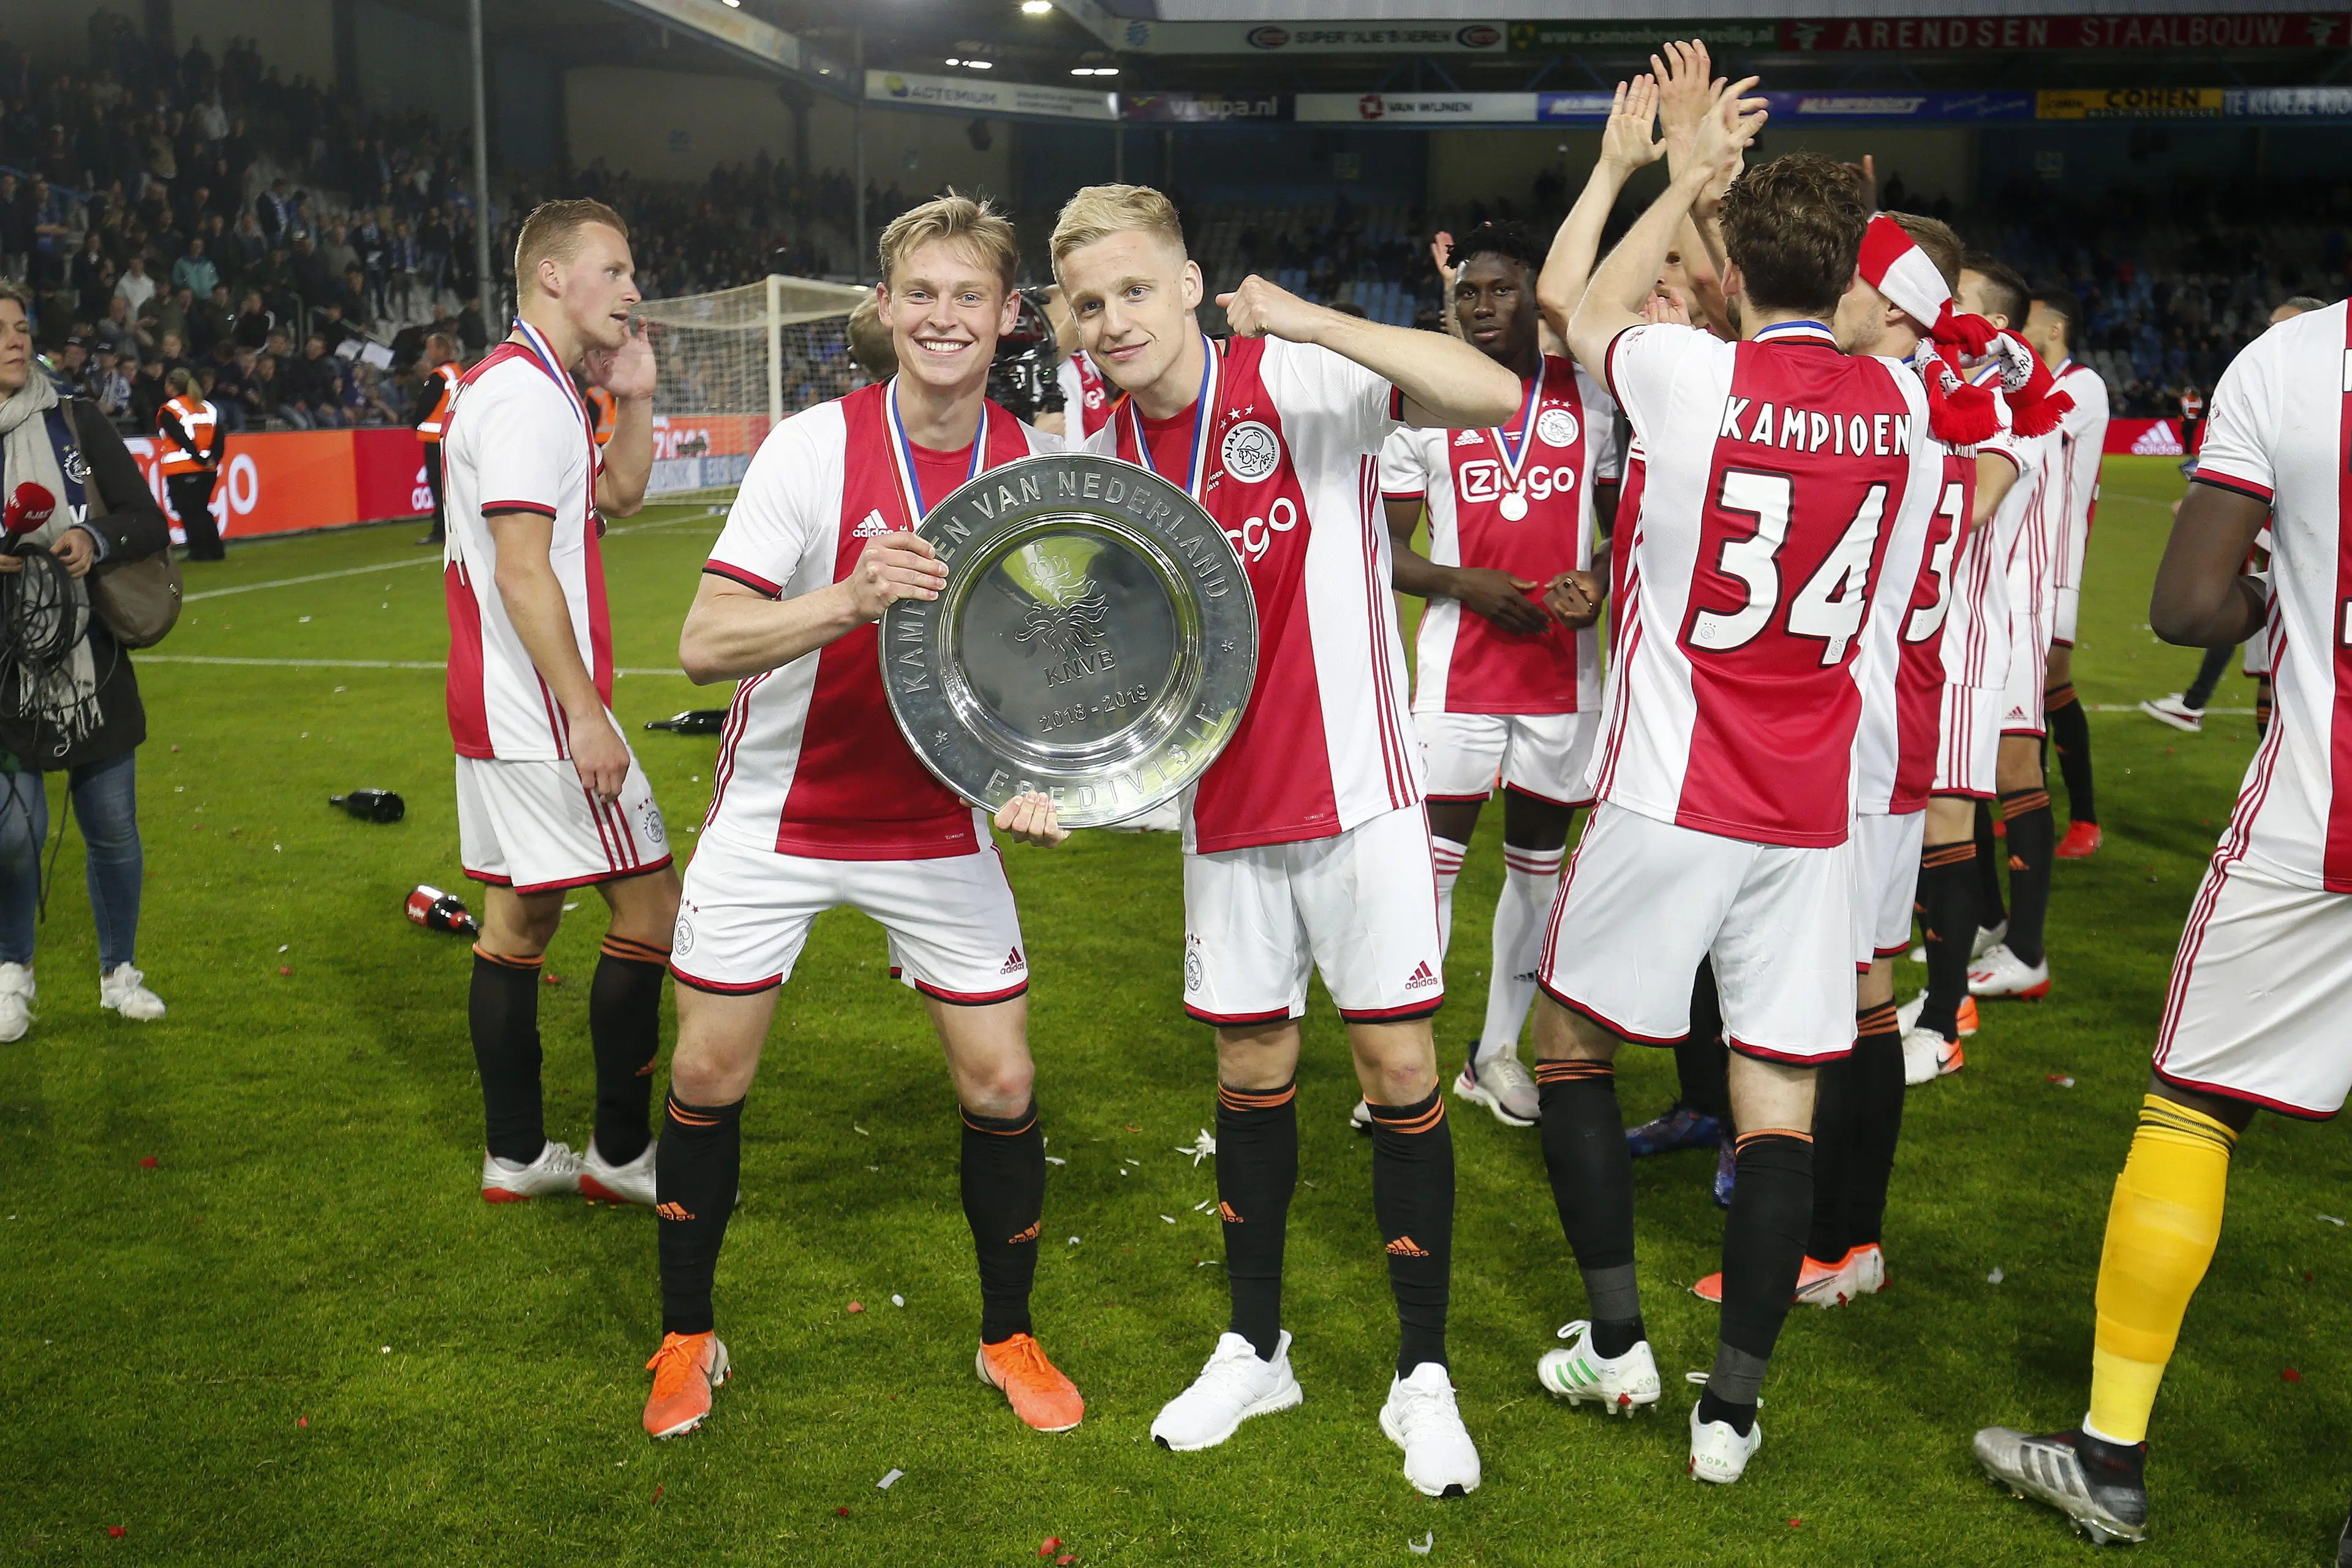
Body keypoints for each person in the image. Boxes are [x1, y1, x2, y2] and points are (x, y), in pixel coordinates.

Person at [1055, 182, 1518, 1497]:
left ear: (1193, 282)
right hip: (1222, 807)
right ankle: (1258, 1345)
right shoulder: (1094, 439)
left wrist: (1311, 315)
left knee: (1392, 1062)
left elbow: (1484, 389)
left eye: (1136, 289)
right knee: (1251, 1065)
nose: (1114, 320)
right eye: (1090, 302)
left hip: (1362, 789)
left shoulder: (1300, 376)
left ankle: (1422, 1371)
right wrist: (1053, 775)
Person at [1540, 86, 1938, 1484]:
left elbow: (1578, 314)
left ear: (1728, 273)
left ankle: (1614, 1337)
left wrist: (1671, 175)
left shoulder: (1689, 375)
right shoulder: (1901, 400)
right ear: (1848, 275)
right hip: (1808, 808)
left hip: (1668, 780)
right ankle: (1732, 1411)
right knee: (1778, 1108)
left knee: (1563, 1049)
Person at [646, 194, 1080, 1444]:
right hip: (783, 809)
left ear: (1007, 316)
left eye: (971, 297)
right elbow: (702, 643)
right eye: (922, 294)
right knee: (708, 1067)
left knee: (1003, 1079)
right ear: (887, 310)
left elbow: (1048, 669)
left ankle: (1008, 1335)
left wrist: (1036, 775)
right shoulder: (809, 450)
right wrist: (844, 598)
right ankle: (687, 1330)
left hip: (937, 822)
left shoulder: (1034, 466)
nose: (946, 317)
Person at [1973, 293, 2352, 1551]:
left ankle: (2110, 1454)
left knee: (2196, 1102)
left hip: (2315, 818)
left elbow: (2189, 607)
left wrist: (2277, 603)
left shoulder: (2294, 359)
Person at [439, 198, 677, 1213]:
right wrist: (586, 716)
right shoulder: (527, 401)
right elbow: (525, 572)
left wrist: (639, 398)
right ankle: (620, 1157)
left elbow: (618, 499)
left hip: (496, 711)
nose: (633, 289)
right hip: (544, 717)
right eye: (616, 270)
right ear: (550, 278)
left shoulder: (533, 387)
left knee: (518, 924)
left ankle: (513, 1154)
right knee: (655, 911)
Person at [1378, 218, 1620, 1130]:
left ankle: (1497, 1054)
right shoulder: (1426, 402)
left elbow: (1622, 523)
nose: (1482, 307)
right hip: (1457, 676)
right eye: (1468, 293)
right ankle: (1409, 1065)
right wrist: (1460, 582)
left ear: (1534, 294)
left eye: (1501, 290)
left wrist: (1594, 577)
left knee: (1537, 873)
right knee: (1428, 874)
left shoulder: (1590, 397)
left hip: (1563, 676)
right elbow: (1383, 547)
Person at [0, 282, 173, 1040]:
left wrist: (93, 541)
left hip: (89, 656)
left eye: (19, 326)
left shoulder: (77, 419)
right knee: (14, 831)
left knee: (113, 828)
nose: (13, 338)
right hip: (7, 666)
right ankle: (13, 973)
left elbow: (146, 518)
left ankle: (119, 972)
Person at [2138, 298, 2328, 736]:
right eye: (2269, 328)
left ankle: (2194, 703)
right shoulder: (2264, 395)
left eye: (2286, 330)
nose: (2271, 339)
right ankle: (2198, 704)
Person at [1957, 255, 2064, 1003]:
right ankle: (1991, 920)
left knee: (2013, 772)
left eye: (1956, 296)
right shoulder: (1968, 386)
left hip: (2011, 611)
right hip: (1966, 609)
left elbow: (1979, 507)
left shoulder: (2018, 402)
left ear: (1995, 325)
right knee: (1962, 774)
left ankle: (2027, 950)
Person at [2022, 289, 2111, 859]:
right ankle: (2023, 798)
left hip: (2057, 560)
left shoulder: (2082, 387)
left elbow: (2030, 424)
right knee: (2022, 686)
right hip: (2020, 559)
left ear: (2055, 329)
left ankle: (2084, 820)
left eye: (2026, 321)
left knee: (2052, 681)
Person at [156, 366, 225, 560]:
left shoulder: (170, 410)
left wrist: (199, 458)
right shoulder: (208, 407)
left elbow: (181, 439)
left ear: (171, 387)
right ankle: (215, 549)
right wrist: (212, 459)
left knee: (189, 511)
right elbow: (219, 437)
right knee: (200, 509)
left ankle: (199, 551)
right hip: (208, 470)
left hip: (182, 468)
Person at [412, 333, 461, 546]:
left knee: (438, 487)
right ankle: (455, 529)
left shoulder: (439, 375)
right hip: (453, 438)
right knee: (452, 488)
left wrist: (414, 423)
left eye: (431, 349)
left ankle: (440, 530)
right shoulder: (458, 372)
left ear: (441, 350)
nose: (428, 353)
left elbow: (425, 405)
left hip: (435, 440)